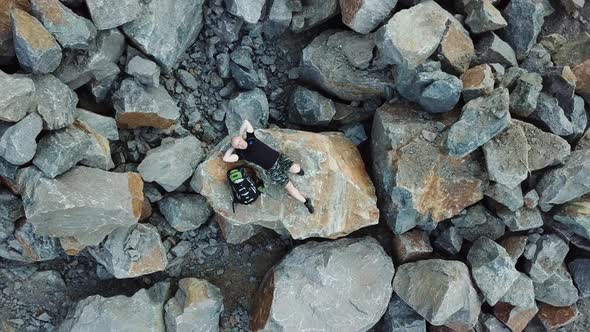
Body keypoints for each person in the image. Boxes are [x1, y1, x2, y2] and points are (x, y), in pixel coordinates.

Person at [222, 119, 315, 214]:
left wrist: (240, 135)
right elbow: (226, 158)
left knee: (296, 169)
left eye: (239, 142)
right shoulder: (242, 154)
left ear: (242, 139)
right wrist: (233, 146)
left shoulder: (251, 138)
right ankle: (306, 202)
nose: (240, 144)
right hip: (272, 170)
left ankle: (297, 170)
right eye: (237, 145)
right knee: (290, 188)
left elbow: (246, 122)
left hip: (279, 158)